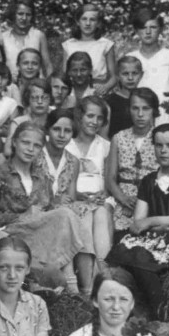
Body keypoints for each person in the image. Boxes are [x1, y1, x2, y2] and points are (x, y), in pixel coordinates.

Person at [0, 122, 96, 295]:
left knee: (67, 216)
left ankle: (70, 282)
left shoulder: (42, 177)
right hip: (12, 232)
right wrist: (19, 217)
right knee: (64, 215)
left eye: (36, 146)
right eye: (25, 143)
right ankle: (70, 281)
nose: (30, 149)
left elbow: (47, 210)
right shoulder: (0, 173)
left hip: (39, 234)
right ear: (14, 142)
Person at [107, 123, 169, 322]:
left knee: (140, 255)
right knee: (126, 253)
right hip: (156, 236)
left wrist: (154, 221)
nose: (163, 151)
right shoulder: (148, 180)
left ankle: (161, 319)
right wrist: (163, 226)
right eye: (158, 145)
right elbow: (138, 223)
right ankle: (150, 316)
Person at [43, 109, 113, 270]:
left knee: (90, 214)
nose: (61, 135)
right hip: (46, 209)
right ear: (47, 130)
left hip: (67, 206)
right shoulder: (39, 155)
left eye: (67, 131)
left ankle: (95, 279)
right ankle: (76, 282)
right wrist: (57, 200)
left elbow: (72, 196)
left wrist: (81, 200)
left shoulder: (72, 161)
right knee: (75, 215)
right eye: (56, 129)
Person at [106, 88, 160, 232]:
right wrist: (123, 199)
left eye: (146, 108)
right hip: (123, 198)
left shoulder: (161, 137)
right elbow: (110, 178)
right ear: (129, 109)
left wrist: (143, 201)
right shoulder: (119, 138)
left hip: (153, 198)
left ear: (154, 110)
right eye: (135, 108)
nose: (140, 114)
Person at [125, 7, 169, 126]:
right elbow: (124, 91)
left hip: (164, 115)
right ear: (136, 30)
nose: (148, 32)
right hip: (138, 116)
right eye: (143, 27)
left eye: (153, 27)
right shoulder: (130, 58)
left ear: (161, 29)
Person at [61, 3, 116, 95]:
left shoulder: (106, 45)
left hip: (97, 91)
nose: (88, 23)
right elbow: (64, 74)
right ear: (78, 22)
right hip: (74, 91)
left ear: (98, 23)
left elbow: (114, 77)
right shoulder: (69, 44)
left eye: (92, 20)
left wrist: (105, 87)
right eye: (84, 19)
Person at [0, 0, 51, 80]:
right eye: (20, 14)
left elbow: (48, 65)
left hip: (36, 86)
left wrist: (49, 85)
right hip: (11, 85)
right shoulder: (3, 38)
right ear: (13, 14)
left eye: (28, 15)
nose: (24, 18)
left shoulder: (39, 36)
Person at [66, 96, 110, 199]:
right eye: (90, 116)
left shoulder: (107, 146)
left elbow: (111, 180)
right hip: (70, 200)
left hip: (100, 201)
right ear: (80, 116)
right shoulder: (67, 146)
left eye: (100, 118)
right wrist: (75, 194)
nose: (95, 122)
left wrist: (105, 192)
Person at [4, 78, 51, 158]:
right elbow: (7, 151)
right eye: (35, 98)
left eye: (44, 98)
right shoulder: (18, 122)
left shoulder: (56, 120)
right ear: (28, 99)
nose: (39, 102)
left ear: (50, 99)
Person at [106, 56, 143, 139]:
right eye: (125, 74)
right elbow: (104, 135)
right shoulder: (110, 101)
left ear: (141, 75)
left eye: (134, 73)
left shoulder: (145, 99)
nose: (130, 78)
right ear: (118, 76)